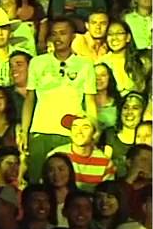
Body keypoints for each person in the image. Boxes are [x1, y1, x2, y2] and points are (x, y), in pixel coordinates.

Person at [21, 17, 97, 186]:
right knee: (37, 182)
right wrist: (25, 131)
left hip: (70, 133)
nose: (58, 38)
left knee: (67, 183)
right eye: (54, 34)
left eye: (63, 33)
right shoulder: (37, 62)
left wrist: (93, 129)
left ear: (73, 37)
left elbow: (90, 100)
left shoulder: (85, 65)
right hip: (40, 131)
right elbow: (29, 99)